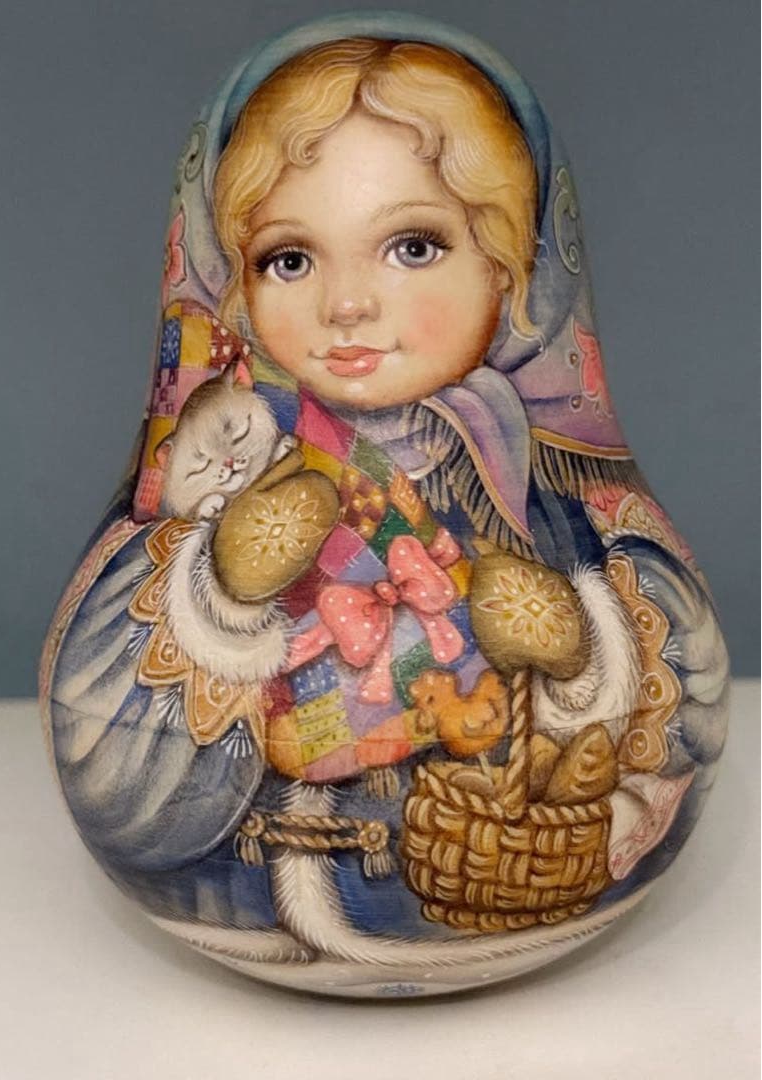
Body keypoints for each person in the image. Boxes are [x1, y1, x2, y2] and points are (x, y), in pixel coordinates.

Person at [42, 18, 729, 995]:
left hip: (482, 893)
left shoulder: (556, 502)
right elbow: (110, 777)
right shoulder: (234, 454)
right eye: (290, 258)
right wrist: (218, 592)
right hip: (240, 916)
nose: (347, 304)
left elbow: (684, 714)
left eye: (412, 246)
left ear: (509, 265)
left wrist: (580, 650)